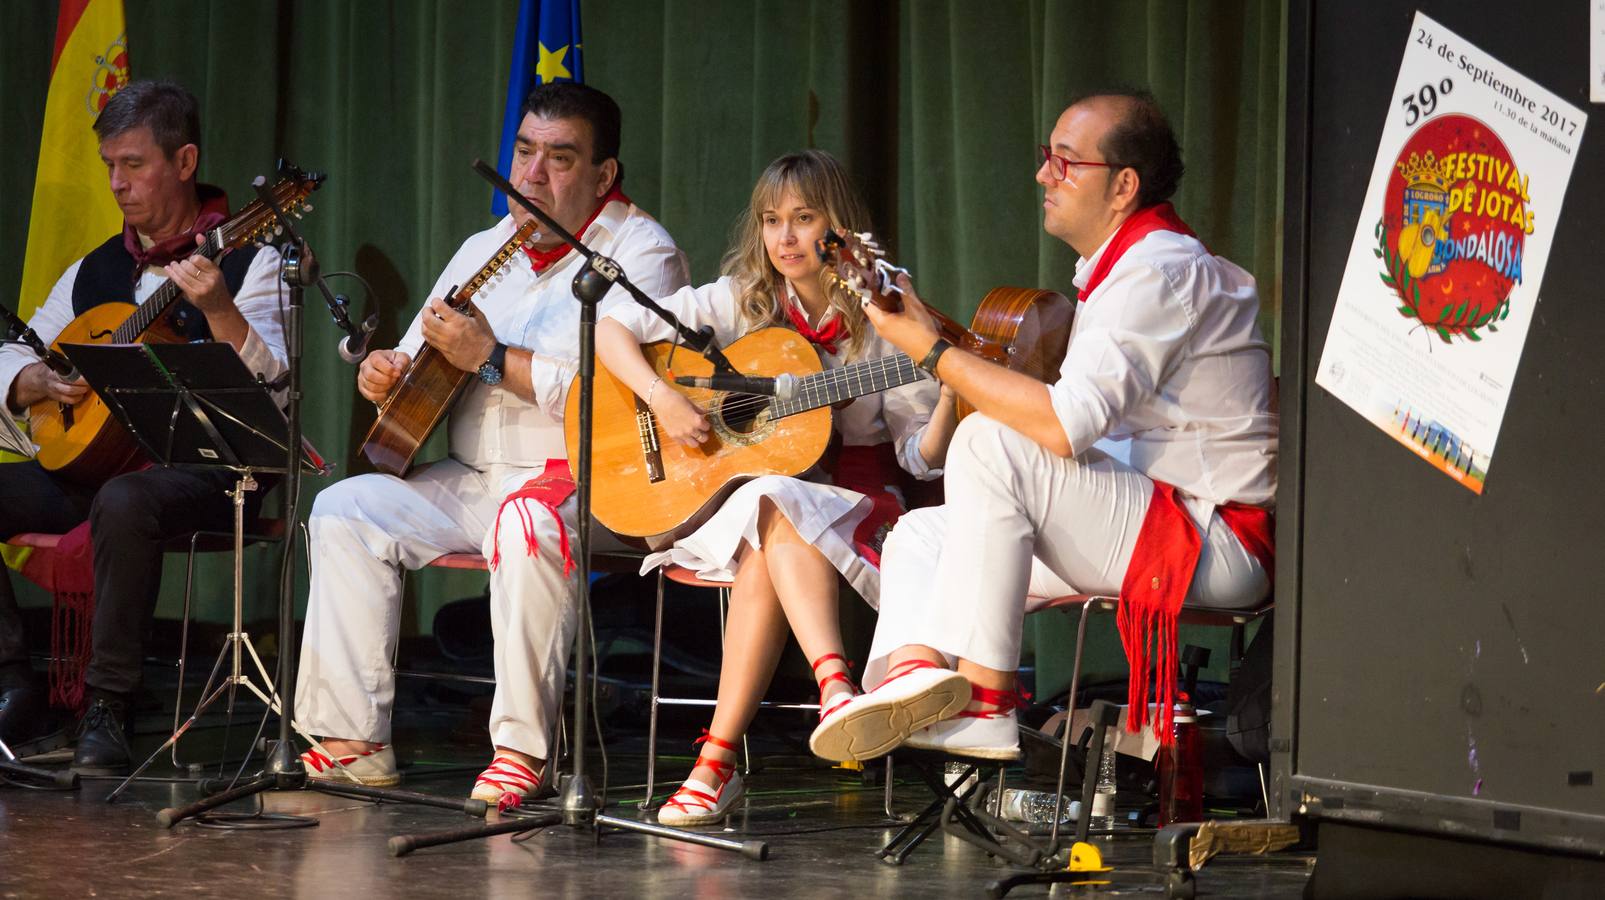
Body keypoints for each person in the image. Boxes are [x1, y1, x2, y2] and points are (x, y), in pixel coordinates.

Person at [809, 90, 1277, 763]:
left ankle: (984, 702)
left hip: (1209, 540)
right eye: (1045, 158)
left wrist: (931, 351)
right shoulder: (1122, 267)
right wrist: (932, 337)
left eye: (1064, 162)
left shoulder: (1158, 270)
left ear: (1121, 186)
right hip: (1151, 519)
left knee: (987, 441)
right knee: (918, 535)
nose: (1042, 176)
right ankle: (919, 677)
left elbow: (1062, 430)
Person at [294, 82, 688, 808]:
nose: (532, 175)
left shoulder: (641, 252)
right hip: (477, 476)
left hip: (590, 480)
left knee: (527, 519)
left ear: (604, 176)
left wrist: (489, 357)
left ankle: (522, 751)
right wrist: (384, 378)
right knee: (346, 509)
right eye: (524, 151)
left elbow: (626, 398)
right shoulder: (484, 248)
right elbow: (413, 361)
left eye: (560, 158)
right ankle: (353, 740)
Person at [595, 149, 959, 825]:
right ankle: (834, 691)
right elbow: (611, 329)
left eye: (803, 218)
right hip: (735, 504)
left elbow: (918, 457)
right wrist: (663, 399)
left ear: (839, 226)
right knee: (772, 503)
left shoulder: (885, 311)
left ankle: (715, 763)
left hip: (857, 504)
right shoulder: (740, 299)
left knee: (773, 509)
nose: (784, 238)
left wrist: (951, 398)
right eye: (771, 220)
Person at [0, 80, 287, 774]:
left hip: (212, 472)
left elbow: (272, 389)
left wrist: (220, 310)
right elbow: (24, 344)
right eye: (108, 166)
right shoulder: (95, 267)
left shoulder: (252, 259)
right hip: (96, 461)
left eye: (133, 164)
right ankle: (11, 682)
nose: (116, 183)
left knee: (125, 502)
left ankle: (109, 706)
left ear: (184, 161)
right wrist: (30, 379)